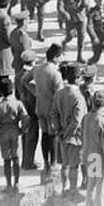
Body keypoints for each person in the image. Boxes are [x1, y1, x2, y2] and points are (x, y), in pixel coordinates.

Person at [53, 62, 87, 197]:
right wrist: (67, 133)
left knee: (64, 165)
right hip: (74, 136)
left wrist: (59, 131)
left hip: (61, 135)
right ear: (78, 78)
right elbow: (77, 120)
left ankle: (64, 188)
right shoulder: (78, 96)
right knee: (74, 166)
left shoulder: (59, 93)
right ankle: (72, 190)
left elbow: (54, 113)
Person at [82, 88, 104, 206]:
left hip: (89, 155)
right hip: (100, 157)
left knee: (91, 185)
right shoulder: (102, 121)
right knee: (101, 187)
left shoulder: (86, 117)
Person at [33, 43, 64, 182]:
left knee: (44, 135)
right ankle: (53, 164)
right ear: (56, 57)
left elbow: (24, 80)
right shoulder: (55, 73)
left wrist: (36, 93)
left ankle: (46, 162)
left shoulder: (38, 69)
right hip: (52, 109)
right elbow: (59, 95)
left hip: (40, 106)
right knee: (53, 137)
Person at [0, 76, 30, 193]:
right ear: (12, 90)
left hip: (3, 131)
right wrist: (22, 129)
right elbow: (25, 118)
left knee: (6, 159)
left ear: (0, 92)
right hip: (15, 130)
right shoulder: (18, 103)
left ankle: (8, 184)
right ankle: (17, 183)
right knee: (16, 158)